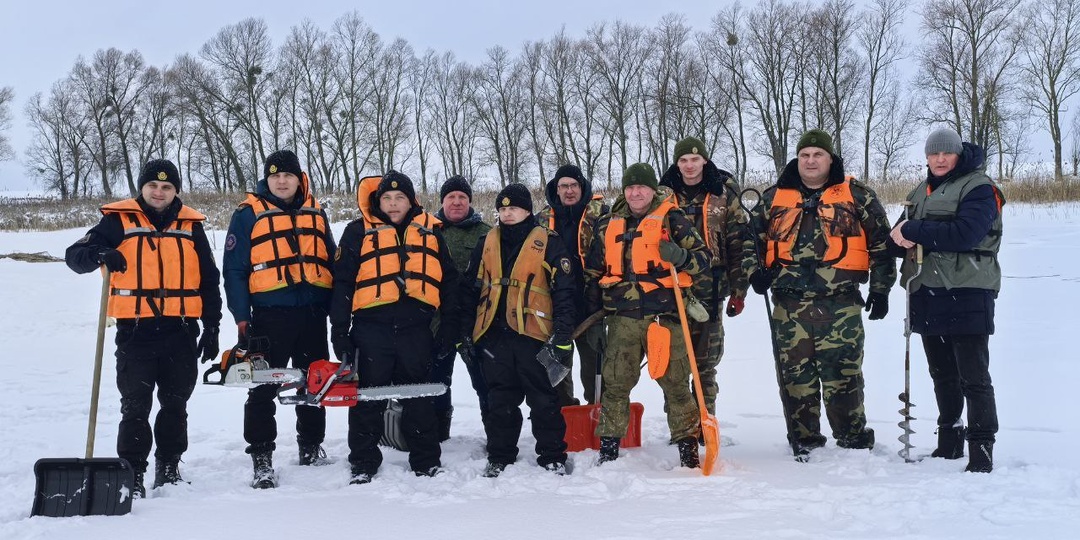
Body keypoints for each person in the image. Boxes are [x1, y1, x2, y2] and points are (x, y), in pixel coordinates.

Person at [65, 159, 222, 497]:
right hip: (135, 331)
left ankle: (169, 465)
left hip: (181, 330)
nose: (159, 192)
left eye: (167, 187)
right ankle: (132, 473)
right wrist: (100, 253)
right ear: (142, 187)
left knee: (175, 403)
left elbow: (209, 279)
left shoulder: (191, 225)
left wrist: (212, 327)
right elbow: (74, 255)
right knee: (135, 406)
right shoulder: (117, 221)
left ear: (175, 190)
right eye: (153, 185)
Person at [745, 129, 896, 461]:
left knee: (843, 375)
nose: (810, 161)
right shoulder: (773, 199)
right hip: (789, 305)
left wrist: (881, 290)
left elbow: (881, 245)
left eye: (817, 155)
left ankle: (852, 439)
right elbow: (748, 243)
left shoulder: (857, 196)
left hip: (841, 304)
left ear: (830, 159)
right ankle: (804, 439)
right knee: (795, 377)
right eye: (804, 155)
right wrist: (753, 274)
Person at [330, 170, 459, 484]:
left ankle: (426, 461)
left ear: (410, 200)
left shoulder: (430, 232)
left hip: (416, 329)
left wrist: (449, 327)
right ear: (378, 201)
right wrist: (339, 330)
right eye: (386, 198)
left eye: (399, 197)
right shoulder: (357, 232)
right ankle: (363, 462)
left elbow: (450, 282)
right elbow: (343, 284)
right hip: (371, 329)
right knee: (368, 399)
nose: (392, 203)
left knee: (419, 397)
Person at [887, 127, 1003, 473]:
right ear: (926, 156)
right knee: (942, 374)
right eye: (933, 153)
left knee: (974, 376)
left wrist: (913, 231)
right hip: (927, 292)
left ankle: (981, 448)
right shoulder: (918, 192)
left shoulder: (980, 188)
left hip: (967, 291)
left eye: (946, 153)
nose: (939, 159)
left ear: (958, 155)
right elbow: (895, 240)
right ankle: (948, 442)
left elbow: (966, 234)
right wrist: (902, 235)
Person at [583, 163, 711, 468]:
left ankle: (687, 448)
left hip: (663, 319)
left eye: (641, 187)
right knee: (615, 385)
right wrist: (593, 322)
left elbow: (704, 260)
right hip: (621, 320)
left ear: (652, 190)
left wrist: (680, 257)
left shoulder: (672, 219)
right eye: (629, 188)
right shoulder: (608, 224)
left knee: (676, 385)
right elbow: (591, 273)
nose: (635, 193)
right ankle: (609, 449)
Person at [222, 150, 336, 489]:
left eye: (288, 175)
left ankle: (311, 446)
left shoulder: (316, 212)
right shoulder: (247, 215)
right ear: (267, 180)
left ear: (299, 178)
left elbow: (330, 258)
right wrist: (242, 318)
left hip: (313, 313)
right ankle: (261, 456)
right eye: (275, 176)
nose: (282, 181)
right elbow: (234, 271)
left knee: (315, 383)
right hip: (270, 317)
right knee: (262, 388)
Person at [461, 183, 576, 477]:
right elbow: (470, 290)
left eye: (514, 208)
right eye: (502, 208)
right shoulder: (486, 241)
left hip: (534, 335)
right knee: (500, 400)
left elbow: (564, 293)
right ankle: (500, 455)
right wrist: (465, 331)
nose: (507, 213)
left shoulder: (549, 242)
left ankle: (553, 455)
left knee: (544, 400)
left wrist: (563, 336)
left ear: (527, 211)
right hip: (494, 335)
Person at [659, 138, 751, 418]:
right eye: (683, 160)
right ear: (677, 163)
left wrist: (739, 289)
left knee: (705, 362)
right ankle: (680, 424)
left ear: (705, 162)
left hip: (710, 289)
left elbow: (739, 244)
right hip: (670, 291)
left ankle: (705, 420)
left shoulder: (724, 195)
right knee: (674, 361)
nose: (689, 166)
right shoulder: (662, 195)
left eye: (695, 160)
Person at [536, 164, 609, 405]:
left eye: (574, 185)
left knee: (596, 370)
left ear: (582, 187)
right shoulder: (541, 222)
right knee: (556, 370)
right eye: (563, 186)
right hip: (554, 307)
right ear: (556, 189)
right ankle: (565, 416)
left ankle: (599, 416)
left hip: (592, 305)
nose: (569, 191)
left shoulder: (602, 215)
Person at [429, 175, 493, 439]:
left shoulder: (487, 233)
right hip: (436, 322)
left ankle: (495, 434)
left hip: (475, 322)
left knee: (485, 381)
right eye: (451, 197)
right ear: (442, 201)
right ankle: (436, 432)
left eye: (462, 197)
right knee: (436, 381)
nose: (457, 202)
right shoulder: (428, 231)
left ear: (470, 201)